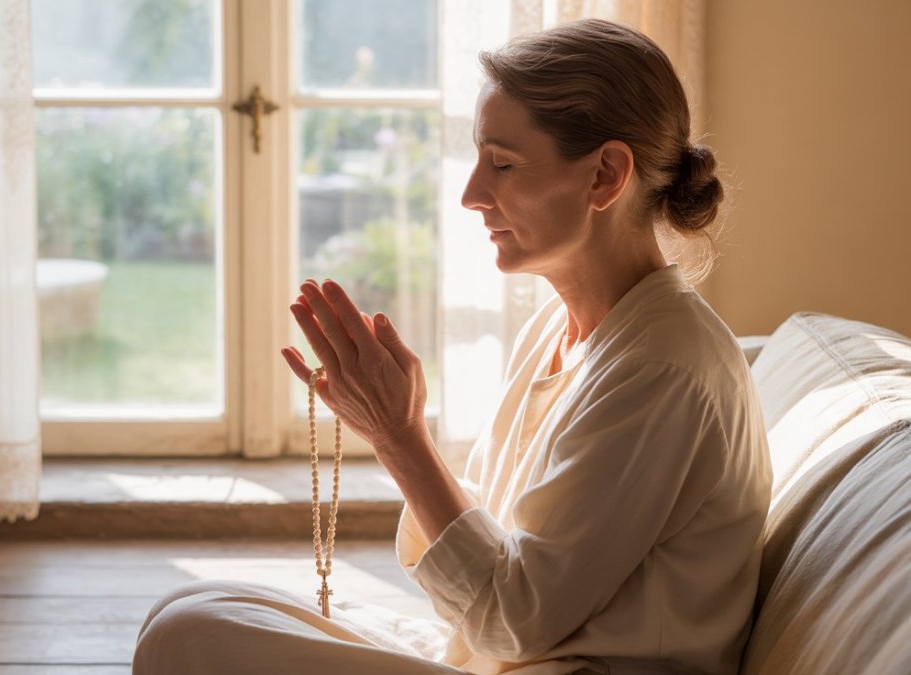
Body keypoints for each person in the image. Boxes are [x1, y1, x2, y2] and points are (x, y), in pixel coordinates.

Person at [133, 18, 772, 675]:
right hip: (492, 660)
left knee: (188, 637)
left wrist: (400, 438)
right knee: (193, 605)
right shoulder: (558, 329)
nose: (471, 194)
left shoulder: (662, 366)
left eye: (502, 163)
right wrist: (388, 429)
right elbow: (496, 576)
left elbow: (510, 618)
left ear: (605, 176)